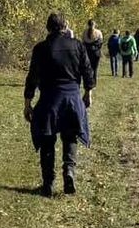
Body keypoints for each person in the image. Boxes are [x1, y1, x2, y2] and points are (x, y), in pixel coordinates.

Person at [24, 12, 95, 197]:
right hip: (72, 97)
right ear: (65, 26)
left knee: (47, 139)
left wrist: (27, 102)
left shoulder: (40, 48)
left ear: (48, 27)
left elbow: (32, 76)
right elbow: (87, 71)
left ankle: (47, 182)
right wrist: (88, 93)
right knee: (70, 136)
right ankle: (69, 171)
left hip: (49, 99)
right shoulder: (77, 45)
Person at [81, 19, 104, 85]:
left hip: (87, 52)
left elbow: (83, 42)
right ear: (95, 24)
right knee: (95, 68)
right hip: (96, 52)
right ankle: (94, 82)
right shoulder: (98, 32)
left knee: (88, 68)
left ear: (88, 24)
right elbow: (101, 43)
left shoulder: (84, 32)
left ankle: (88, 81)